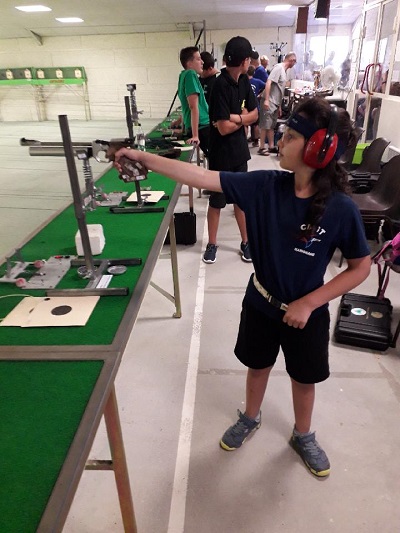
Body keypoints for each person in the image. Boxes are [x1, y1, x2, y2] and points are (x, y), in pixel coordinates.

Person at [114, 97, 371, 477]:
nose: (279, 142)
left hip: (307, 314)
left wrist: (310, 302)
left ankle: (304, 434)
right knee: (257, 367)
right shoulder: (265, 185)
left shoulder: (340, 208)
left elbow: (360, 268)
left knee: (304, 379)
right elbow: (202, 177)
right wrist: (143, 156)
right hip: (262, 303)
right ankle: (251, 417)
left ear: (318, 149)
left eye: (289, 137)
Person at [204, 36, 258, 264]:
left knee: (241, 201)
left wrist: (237, 117)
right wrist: (243, 120)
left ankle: (245, 242)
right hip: (220, 154)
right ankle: (212, 243)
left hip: (239, 153)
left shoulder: (244, 81)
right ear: (245, 60)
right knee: (216, 202)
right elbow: (223, 129)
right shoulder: (219, 85)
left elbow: (255, 115)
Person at [258, 51, 297, 155]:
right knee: (265, 125)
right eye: (295, 62)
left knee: (271, 126)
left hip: (275, 102)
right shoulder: (278, 68)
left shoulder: (284, 71)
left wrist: (279, 106)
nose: (294, 65)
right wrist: (266, 99)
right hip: (270, 100)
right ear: (292, 60)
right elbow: (268, 82)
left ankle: (271, 146)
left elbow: (280, 89)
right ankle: (261, 147)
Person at [175, 46, 210, 157]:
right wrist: (195, 135)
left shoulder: (182, 75)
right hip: (203, 127)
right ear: (189, 63)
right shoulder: (191, 74)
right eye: (199, 59)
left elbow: (185, 105)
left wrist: (182, 127)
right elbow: (193, 106)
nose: (202, 62)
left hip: (198, 127)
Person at [247, 65, 266, 146]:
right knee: (255, 124)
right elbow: (267, 86)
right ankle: (255, 141)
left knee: (245, 124)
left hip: (245, 105)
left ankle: (243, 141)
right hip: (255, 104)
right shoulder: (257, 81)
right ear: (254, 72)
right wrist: (261, 94)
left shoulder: (242, 81)